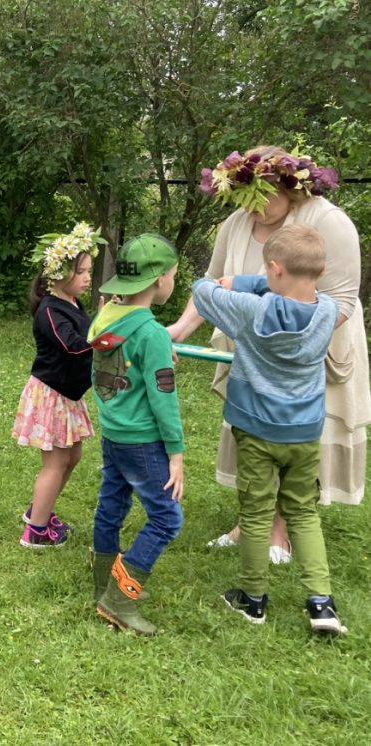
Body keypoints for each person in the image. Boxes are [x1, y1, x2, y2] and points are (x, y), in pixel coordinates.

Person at [167, 147, 369, 563]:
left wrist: (285, 342)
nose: (250, 207)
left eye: (259, 196)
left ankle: (279, 531)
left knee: (292, 438)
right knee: (258, 435)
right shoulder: (236, 223)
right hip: (256, 355)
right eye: (241, 197)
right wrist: (179, 331)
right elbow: (212, 283)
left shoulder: (328, 222)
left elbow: (343, 300)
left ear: (288, 186)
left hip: (312, 355)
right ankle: (250, 524)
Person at [191, 225, 347, 635]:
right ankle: (321, 604)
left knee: (257, 513)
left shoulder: (249, 310)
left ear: (274, 268)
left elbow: (202, 291)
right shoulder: (328, 311)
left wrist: (239, 281)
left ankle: (253, 599)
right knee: (303, 513)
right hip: (304, 433)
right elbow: (295, 291)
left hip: (256, 432)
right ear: (321, 270)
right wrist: (267, 282)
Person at [88, 234, 184, 636]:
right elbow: (164, 399)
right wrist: (176, 453)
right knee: (167, 518)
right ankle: (119, 599)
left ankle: (102, 583)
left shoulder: (107, 316)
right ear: (160, 279)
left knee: (112, 503)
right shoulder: (152, 333)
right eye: (174, 275)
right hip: (143, 441)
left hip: (113, 433)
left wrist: (160, 355)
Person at [13, 224, 105, 548]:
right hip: (51, 395)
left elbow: (86, 333)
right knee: (55, 462)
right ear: (59, 273)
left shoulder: (73, 303)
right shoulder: (50, 310)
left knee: (73, 455)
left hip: (68, 396)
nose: (87, 278)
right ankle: (36, 531)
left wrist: (101, 320)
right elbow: (74, 346)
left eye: (89, 271)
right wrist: (103, 337)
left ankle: (39, 510)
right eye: (81, 272)